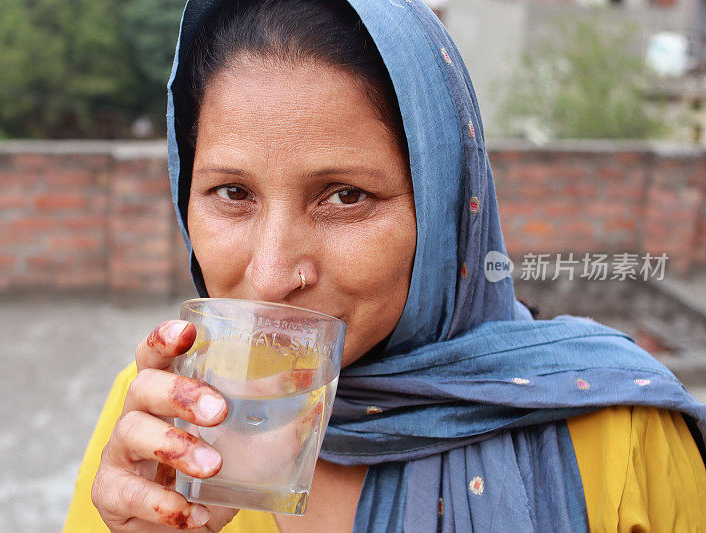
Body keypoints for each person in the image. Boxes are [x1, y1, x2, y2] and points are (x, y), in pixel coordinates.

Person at [64, 0, 706, 531]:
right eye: (232, 194)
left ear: (448, 207)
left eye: (345, 197)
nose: (269, 274)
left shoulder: (621, 433)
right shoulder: (162, 424)